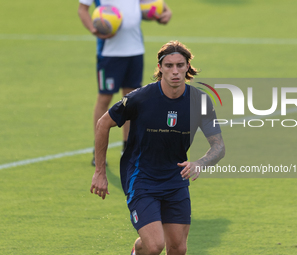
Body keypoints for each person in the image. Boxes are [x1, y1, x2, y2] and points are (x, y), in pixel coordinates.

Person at [90, 41, 225, 255]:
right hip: (141, 177)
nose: (175, 71)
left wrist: (200, 162)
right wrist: (100, 172)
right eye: (169, 65)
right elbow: (103, 124)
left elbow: (219, 146)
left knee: (178, 248)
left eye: (180, 65)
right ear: (160, 68)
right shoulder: (140, 98)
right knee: (154, 246)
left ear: (188, 68)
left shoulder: (200, 101)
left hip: (175, 178)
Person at [78, 0, 172, 165]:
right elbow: (82, 10)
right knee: (104, 98)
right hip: (109, 53)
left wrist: (166, 12)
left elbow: (152, 3)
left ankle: (128, 148)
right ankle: (98, 149)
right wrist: (94, 30)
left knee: (132, 100)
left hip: (135, 50)